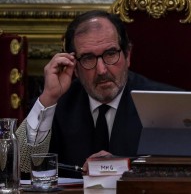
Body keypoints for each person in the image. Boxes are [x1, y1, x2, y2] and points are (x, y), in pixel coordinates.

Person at [16, 10, 179, 178]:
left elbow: (182, 169)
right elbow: (20, 166)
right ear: (75, 68)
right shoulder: (58, 103)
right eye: (88, 58)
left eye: (110, 54)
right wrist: (49, 97)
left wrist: (122, 167)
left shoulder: (166, 104)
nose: (101, 70)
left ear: (128, 56)